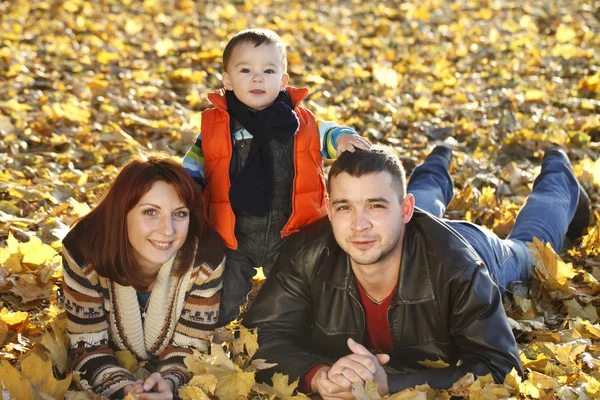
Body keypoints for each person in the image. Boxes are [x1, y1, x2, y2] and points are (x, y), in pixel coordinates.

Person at [244, 145, 590, 397]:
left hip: (476, 249)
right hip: (411, 233)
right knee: (406, 215)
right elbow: (262, 333)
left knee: (531, 248)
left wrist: (388, 384)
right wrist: (317, 377)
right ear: (330, 212)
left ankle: (558, 174)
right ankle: (437, 161)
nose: (359, 224)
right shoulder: (308, 252)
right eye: (345, 207)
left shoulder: (459, 269)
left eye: (375, 206)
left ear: (403, 210)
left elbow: (502, 366)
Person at [182, 28, 371, 325]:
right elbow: (191, 171)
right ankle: (209, 337)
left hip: (290, 232)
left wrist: (344, 138)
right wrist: (182, 191)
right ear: (227, 80)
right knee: (222, 294)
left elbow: (327, 133)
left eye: (268, 71)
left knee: (298, 294)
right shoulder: (215, 129)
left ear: (283, 80)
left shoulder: (299, 122)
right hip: (234, 235)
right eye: (246, 70)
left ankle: (298, 332)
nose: (258, 78)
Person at [62, 152, 226, 399]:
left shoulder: (206, 256)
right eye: (150, 212)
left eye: (179, 213)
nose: (167, 230)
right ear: (122, 212)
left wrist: (169, 384)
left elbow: (191, 347)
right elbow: (88, 346)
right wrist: (126, 390)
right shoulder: (83, 250)